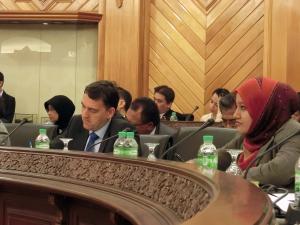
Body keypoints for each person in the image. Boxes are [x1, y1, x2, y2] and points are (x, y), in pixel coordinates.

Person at [223, 77, 300, 186]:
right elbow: (224, 154)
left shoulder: (293, 132)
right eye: (237, 107)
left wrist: (240, 177)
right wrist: (198, 163)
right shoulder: (253, 131)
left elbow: (280, 172)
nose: (235, 115)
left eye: (243, 107)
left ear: (263, 109)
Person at [50, 80, 137, 154]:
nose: (84, 115)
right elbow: (50, 148)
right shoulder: (76, 122)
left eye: (92, 110)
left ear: (110, 112)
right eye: (83, 106)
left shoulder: (124, 131)